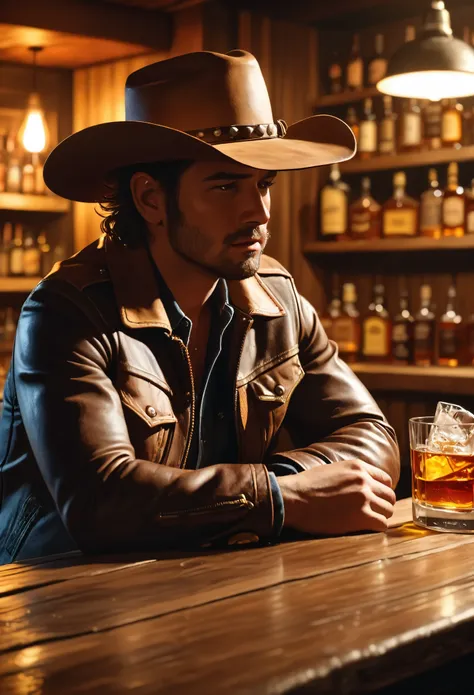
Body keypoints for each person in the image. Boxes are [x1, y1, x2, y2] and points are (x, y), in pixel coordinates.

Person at [0, 50, 399, 565]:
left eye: (263, 185)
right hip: (59, 593)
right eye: (226, 185)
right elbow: (102, 502)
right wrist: (284, 498)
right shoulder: (65, 313)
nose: (256, 211)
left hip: (213, 573)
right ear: (150, 199)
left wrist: (274, 492)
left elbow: (372, 436)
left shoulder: (279, 297)